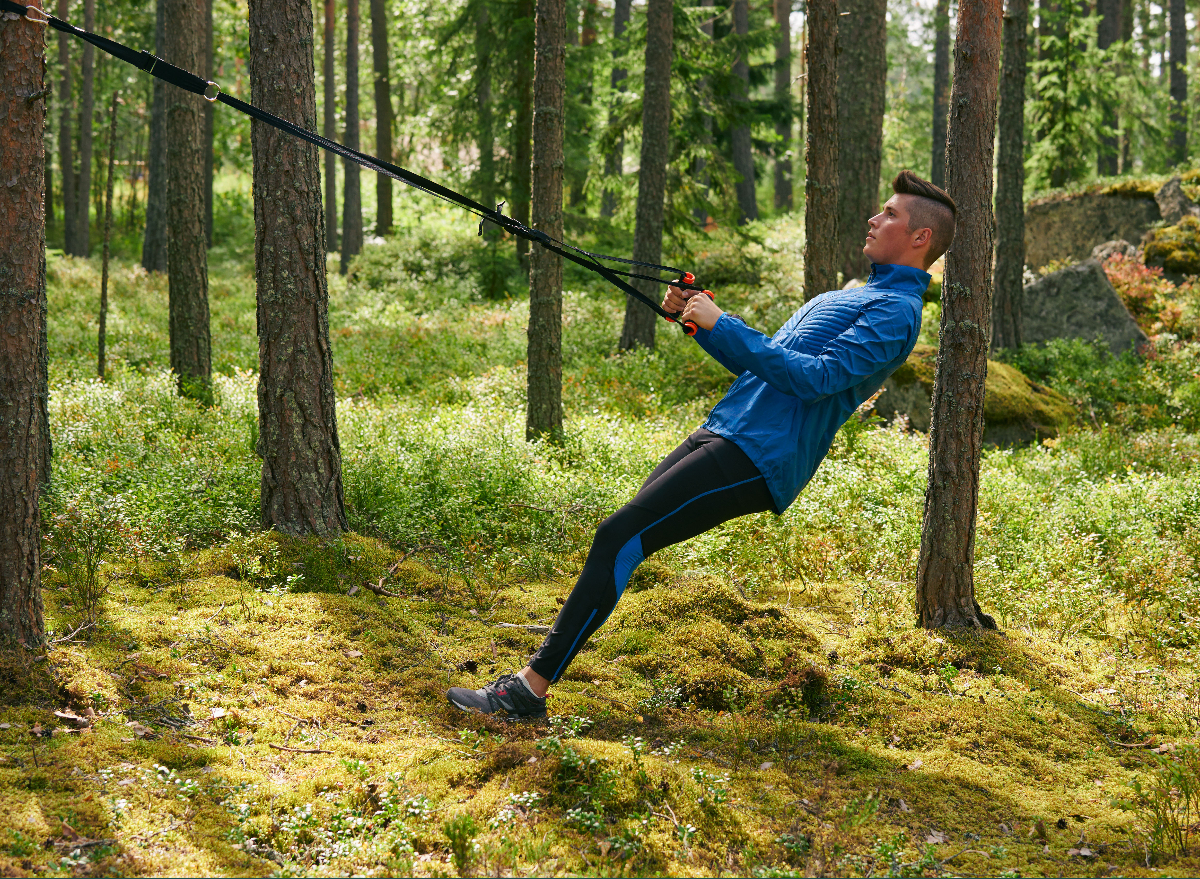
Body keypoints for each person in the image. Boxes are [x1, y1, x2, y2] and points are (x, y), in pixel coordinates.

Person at [447, 170, 956, 720]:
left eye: (890, 215)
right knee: (622, 539)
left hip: (761, 455)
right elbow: (770, 363)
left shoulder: (896, 312)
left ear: (920, 238)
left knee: (619, 535)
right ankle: (532, 684)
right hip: (729, 428)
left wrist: (722, 322)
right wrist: (698, 321)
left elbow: (816, 379)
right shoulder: (861, 294)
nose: (874, 219)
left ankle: (528, 691)